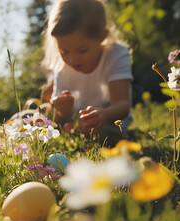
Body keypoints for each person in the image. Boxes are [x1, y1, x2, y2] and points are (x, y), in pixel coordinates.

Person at [41, 0, 133, 146]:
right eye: (64, 51)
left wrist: (104, 115)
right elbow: (56, 118)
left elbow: (122, 104)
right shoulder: (62, 65)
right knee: (36, 116)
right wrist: (61, 112)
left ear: (102, 36)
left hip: (109, 120)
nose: (72, 59)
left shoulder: (116, 53)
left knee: (104, 133)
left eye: (82, 50)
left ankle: (80, 134)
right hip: (73, 120)